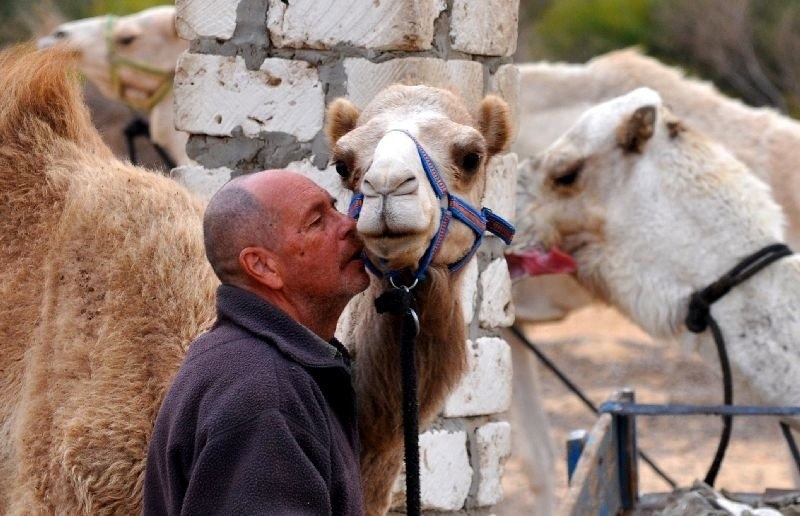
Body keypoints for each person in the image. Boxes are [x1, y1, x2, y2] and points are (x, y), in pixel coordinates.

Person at [143, 169, 371, 515]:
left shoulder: (249, 364)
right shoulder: (266, 393)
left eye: (335, 207)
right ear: (263, 266)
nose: (350, 224)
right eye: (316, 221)